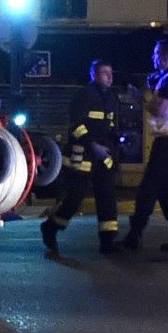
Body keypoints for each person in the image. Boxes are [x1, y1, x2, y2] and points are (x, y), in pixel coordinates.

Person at [41, 59, 123, 255]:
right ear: (94, 75)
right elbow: (76, 126)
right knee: (74, 198)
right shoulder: (83, 95)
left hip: (104, 156)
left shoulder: (112, 98)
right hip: (83, 156)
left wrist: (118, 142)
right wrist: (93, 145)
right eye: (105, 73)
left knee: (108, 198)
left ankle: (107, 243)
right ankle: (51, 227)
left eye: (111, 73)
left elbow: (112, 127)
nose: (110, 77)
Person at [122, 39, 168, 253]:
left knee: (148, 187)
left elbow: (160, 109)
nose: (152, 58)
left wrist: (140, 100)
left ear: (164, 57)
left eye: (155, 54)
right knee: (166, 191)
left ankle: (134, 235)